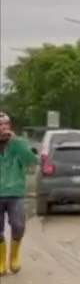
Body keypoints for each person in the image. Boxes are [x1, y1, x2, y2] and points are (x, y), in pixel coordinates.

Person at [0, 112, 37, 275]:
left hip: (15, 192)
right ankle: (1, 261)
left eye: (5, 124)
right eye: (0, 125)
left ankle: (14, 256)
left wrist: (16, 142)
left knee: (18, 225)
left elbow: (31, 161)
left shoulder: (18, 144)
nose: (3, 128)